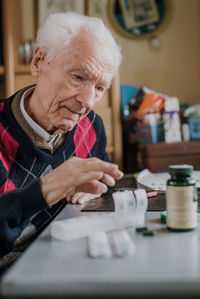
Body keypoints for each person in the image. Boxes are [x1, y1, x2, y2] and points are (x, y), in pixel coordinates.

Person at [0, 12, 123, 271]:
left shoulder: (91, 127)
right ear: (38, 62)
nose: (88, 102)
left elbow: (103, 181)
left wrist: (95, 187)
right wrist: (47, 189)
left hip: (63, 261)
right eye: (78, 77)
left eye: (100, 88)